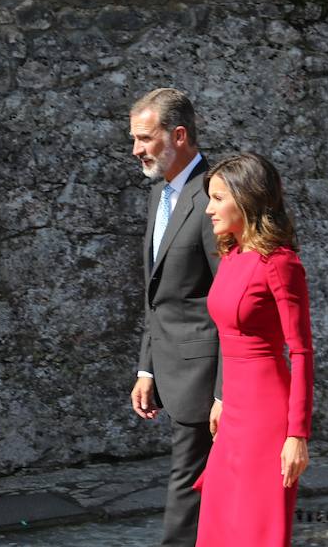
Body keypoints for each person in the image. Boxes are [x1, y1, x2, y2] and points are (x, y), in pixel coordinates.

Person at [194, 153, 314, 547]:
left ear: (246, 199)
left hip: (267, 419)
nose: (209, 208)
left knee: (255, 531)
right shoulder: (231, 255)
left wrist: (297, 435)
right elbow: (231, 338)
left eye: (217, 198)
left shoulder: (280, 263)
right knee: (219, 525)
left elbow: (301, 353)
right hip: (232, 417)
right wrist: (222, 397)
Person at [128, 88, 222, 546]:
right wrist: (147, 367)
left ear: (178, 135)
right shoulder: (160, 195)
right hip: (169, 368)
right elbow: (158, 295)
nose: (136, 150)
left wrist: (224, 389)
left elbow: (231, 299)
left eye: (145, 138)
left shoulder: (214, 196)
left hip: (204, 375)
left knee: (188, 487)